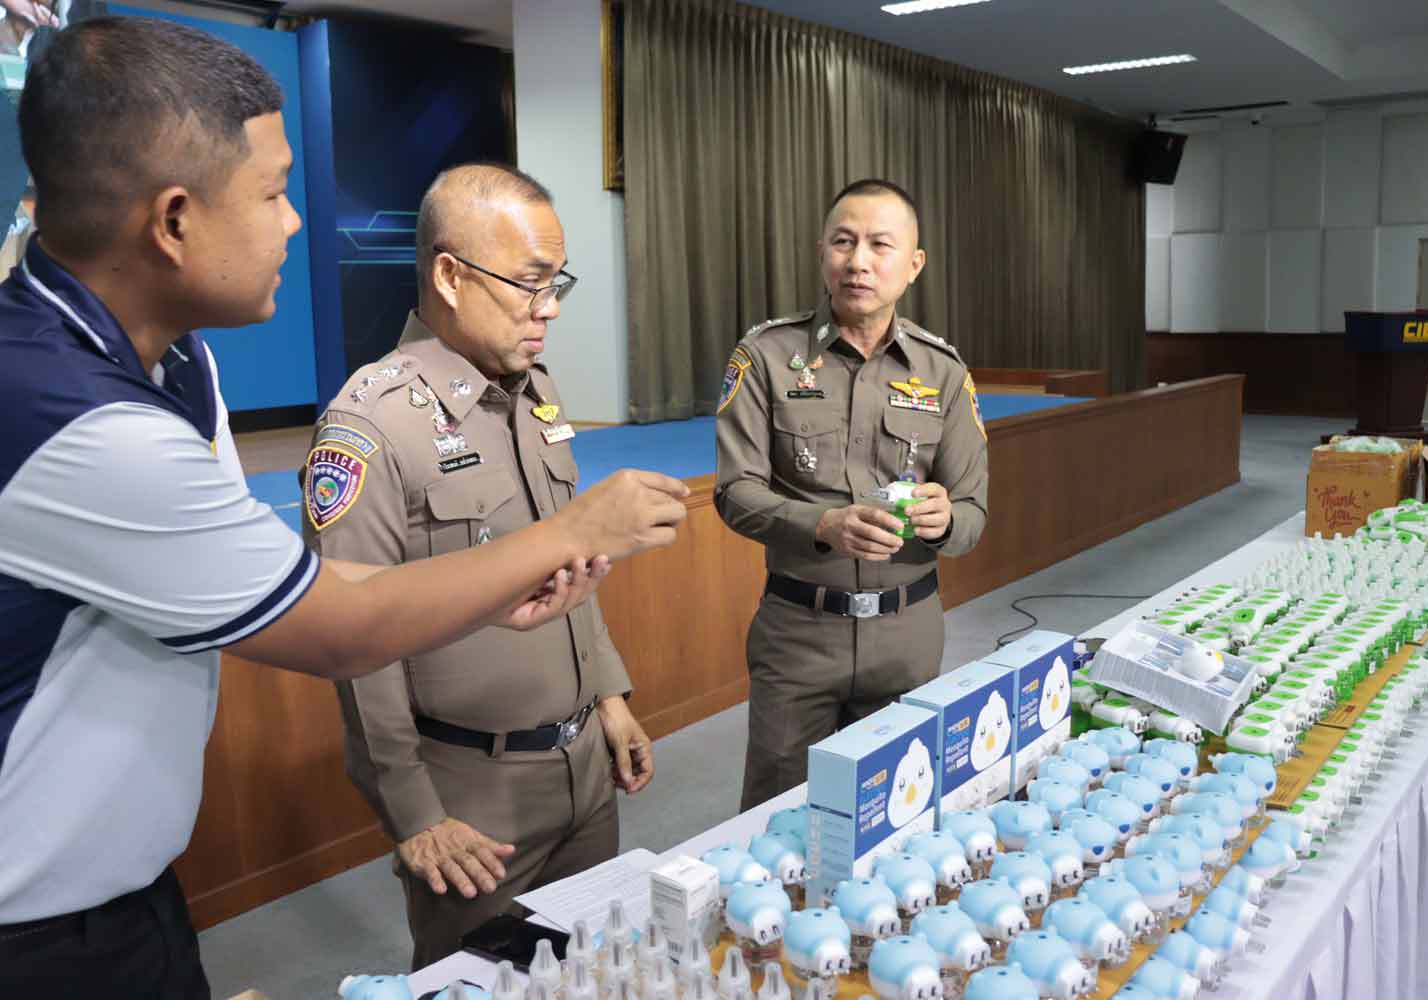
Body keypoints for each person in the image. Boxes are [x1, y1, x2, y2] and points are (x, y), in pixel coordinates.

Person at [0, 18, 687, 998]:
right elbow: (340, 625)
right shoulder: (78, 421)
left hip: (125, 885)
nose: (295, 222)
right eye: (273, 193)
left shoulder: (172, 364)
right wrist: (572, 533)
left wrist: (520, 604)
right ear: (175, 220)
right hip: (40, 928)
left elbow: (307, 583)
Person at [304, 163, 657, 968]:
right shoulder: (371, 426)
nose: (550, 306)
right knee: (480, 979)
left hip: (583, 768)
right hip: (472, 798)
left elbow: (568, 561)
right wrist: (415, 814)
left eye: (556, 281)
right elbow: (354, 642)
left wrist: (608, 696)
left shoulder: (535, 392)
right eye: (530, 282)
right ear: (450, 276)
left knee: (590, 967)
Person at [715, 178, 990, 809]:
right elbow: (735, 493)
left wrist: (946, 519)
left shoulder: (943, 372)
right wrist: (823, 524)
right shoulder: (765, 357)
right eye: (843, 242)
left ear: (913, 264)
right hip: (799, 634)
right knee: (779, 815)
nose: (858, 261)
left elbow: (974, 514)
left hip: (907, 635)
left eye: (879, 245)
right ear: (822, 254)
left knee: (898, 811)